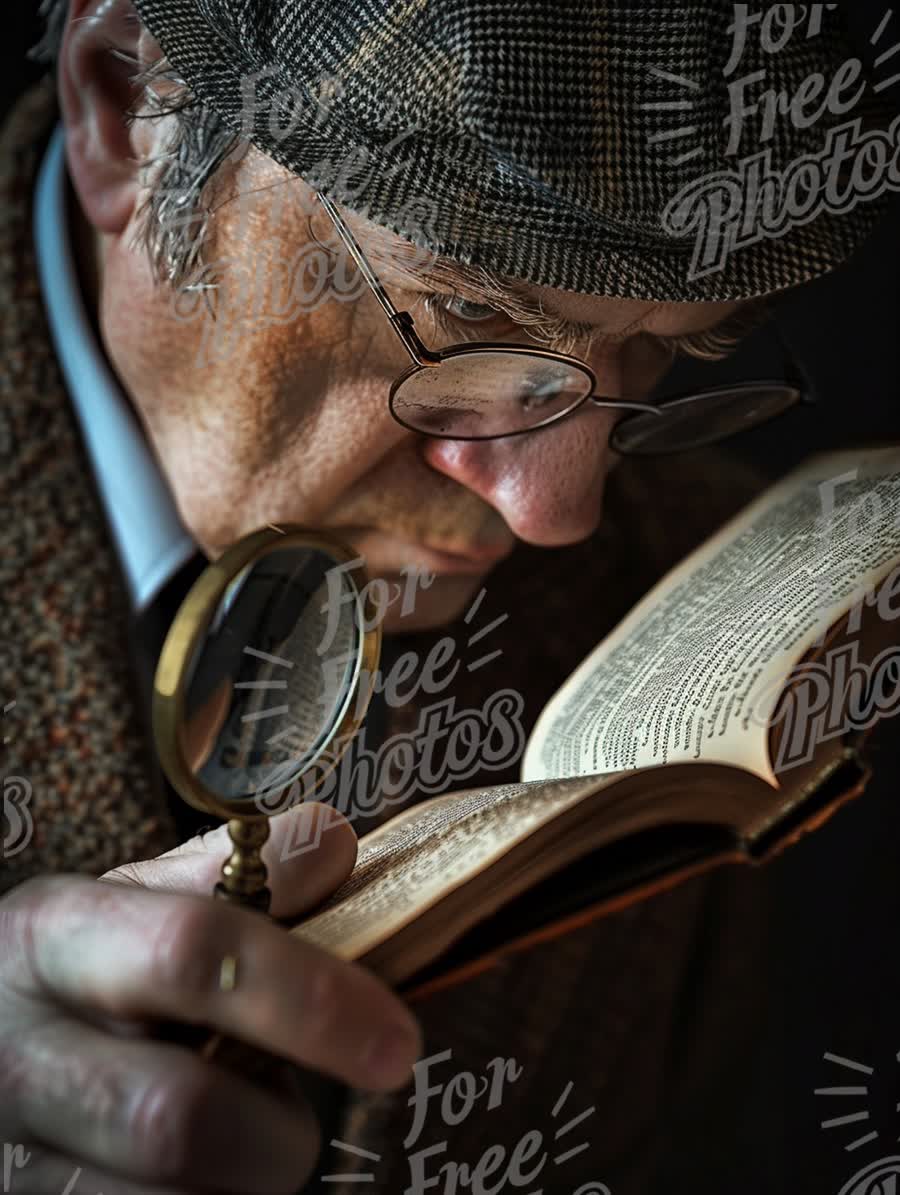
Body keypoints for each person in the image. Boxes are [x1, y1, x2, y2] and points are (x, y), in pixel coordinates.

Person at [1, 1, 897, 1192]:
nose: (555, 511)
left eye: (672, 351)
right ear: (124, 105)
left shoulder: (704, 629)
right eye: (470, 315)